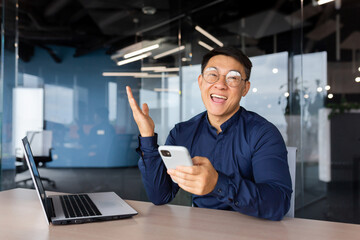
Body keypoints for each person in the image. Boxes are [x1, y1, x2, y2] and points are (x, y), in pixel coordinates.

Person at [126, 46, 292, 220]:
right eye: (213, 75)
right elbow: (160, 195)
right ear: (200, 82)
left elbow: (278, 202)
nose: (220, 84)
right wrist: (147, 136)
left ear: (245, 88)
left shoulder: (263, 134)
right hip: (199, 229)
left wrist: (217, 184)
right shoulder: (182, 133)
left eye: (233, 78)